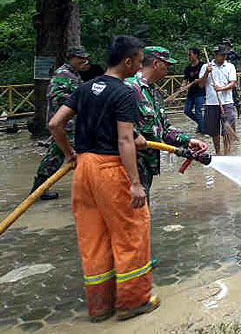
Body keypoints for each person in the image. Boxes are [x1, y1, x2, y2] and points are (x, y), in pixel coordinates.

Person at [48, 35, 159, 322]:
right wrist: (135, 183)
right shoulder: (124, 93)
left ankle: (100, 307)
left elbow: (55, 123)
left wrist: (69, 154)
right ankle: (133, 302)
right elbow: (123, 140)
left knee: (93, 237)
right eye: (138, 58)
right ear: (128, 60)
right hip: (110, 169)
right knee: (131, 232)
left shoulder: (85, 88)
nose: (139, 64)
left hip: (84, 169)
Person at [125, 46, 208, 200]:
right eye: (166, 65)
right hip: (126, 172)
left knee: (141, 217)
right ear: (156, 63)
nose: (168, 70)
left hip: (145, 168)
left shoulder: (154, 93)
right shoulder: (128, 88)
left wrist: (188, 141)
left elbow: (164, 130)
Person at [30, 46, 90, 200]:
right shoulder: (63, 74)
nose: (84, 60)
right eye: (80, 58)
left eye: (85, 58)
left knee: (66, 155)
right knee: (57, 155)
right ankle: (39, 189)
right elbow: (58, 97)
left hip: (71, 124)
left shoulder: (73, 74)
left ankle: (41, 188)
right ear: (70, 58)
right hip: (65, 124)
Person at [199, 45, 237, 155]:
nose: (224, 57)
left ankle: (227, 153)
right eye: (222, 55)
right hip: (211, 103)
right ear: (215, 55)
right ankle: (218, 152)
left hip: (227, 102)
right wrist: (207, 72)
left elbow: (232, 83)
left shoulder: (230, 66)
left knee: (227, 130)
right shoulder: (206, 66)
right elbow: (201, 85)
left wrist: (221, 88)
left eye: (225, 55)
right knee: (214, 131)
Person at [182, 48, 206, 133]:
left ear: (196, 55)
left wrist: (199, 80)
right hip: (191, 92)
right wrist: (183, 87)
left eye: (190, 55)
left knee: (198, 111)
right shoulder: (188, 68)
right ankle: (202, 124)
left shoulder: (202, 66)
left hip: (199, 92)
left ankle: (203, 130)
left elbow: (206, 77)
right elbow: (185, 80)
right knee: (187, 111)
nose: (189, 57)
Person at [222, 39, 241, 117]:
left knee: (235, 94)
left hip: (232, 76)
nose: (225, 46)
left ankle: (239, 113)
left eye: (226, 45)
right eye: (224, 45)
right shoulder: (222, 54)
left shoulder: (233, 54)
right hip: (223, 76)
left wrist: (239, 67)